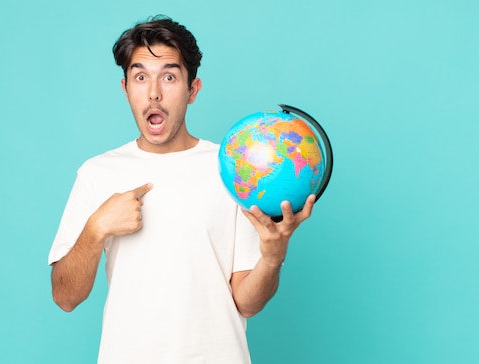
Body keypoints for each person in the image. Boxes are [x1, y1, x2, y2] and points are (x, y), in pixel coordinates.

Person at [48, 15, 315, 364]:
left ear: (193, 90)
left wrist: (272, 257)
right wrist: (97, 227)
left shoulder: (231, 169)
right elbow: (65, 297)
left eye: (169, 77)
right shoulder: (97, 173)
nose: (154, 92)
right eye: (140, 77)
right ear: (125, 88)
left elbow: (246, 302)